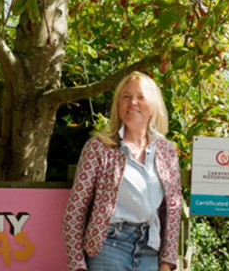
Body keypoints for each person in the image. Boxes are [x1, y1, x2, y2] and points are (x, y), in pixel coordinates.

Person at [62, 72, 183, 271]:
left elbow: (173, 210)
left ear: (153, 106)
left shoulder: (167, 151)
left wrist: (167, 262)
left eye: (140, 97)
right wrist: (77, 265)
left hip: (150, 250)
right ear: (118, 106)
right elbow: (75, 211)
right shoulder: (98, 148)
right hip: (109, 247)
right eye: (125, 97)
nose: (132, 102)